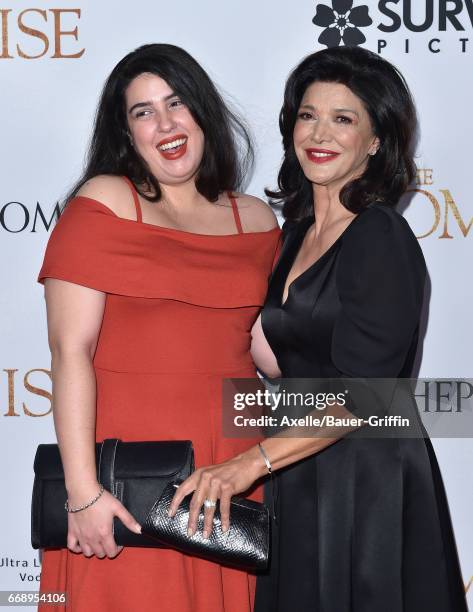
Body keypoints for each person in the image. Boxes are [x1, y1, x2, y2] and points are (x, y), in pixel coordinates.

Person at [169, 47, 468, 612]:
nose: (320, 133)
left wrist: (249, 463)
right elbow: (285, 360)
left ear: (377, 140)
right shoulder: (294, 235)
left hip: (368, 474)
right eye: (308, 115)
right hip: (298, 464)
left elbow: (365, 395)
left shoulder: (380, 235)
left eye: (344, 118)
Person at [37, 43, 280, 612]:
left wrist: (362, 399)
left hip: (232, 465)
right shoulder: (104, 204)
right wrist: (82, 493)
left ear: (202, 112)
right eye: (142, 111)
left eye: (176, 103)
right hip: (130, 476)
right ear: (126, 132)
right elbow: (69, 351)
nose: (165, 124)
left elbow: (268, 350)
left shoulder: (257, 218)